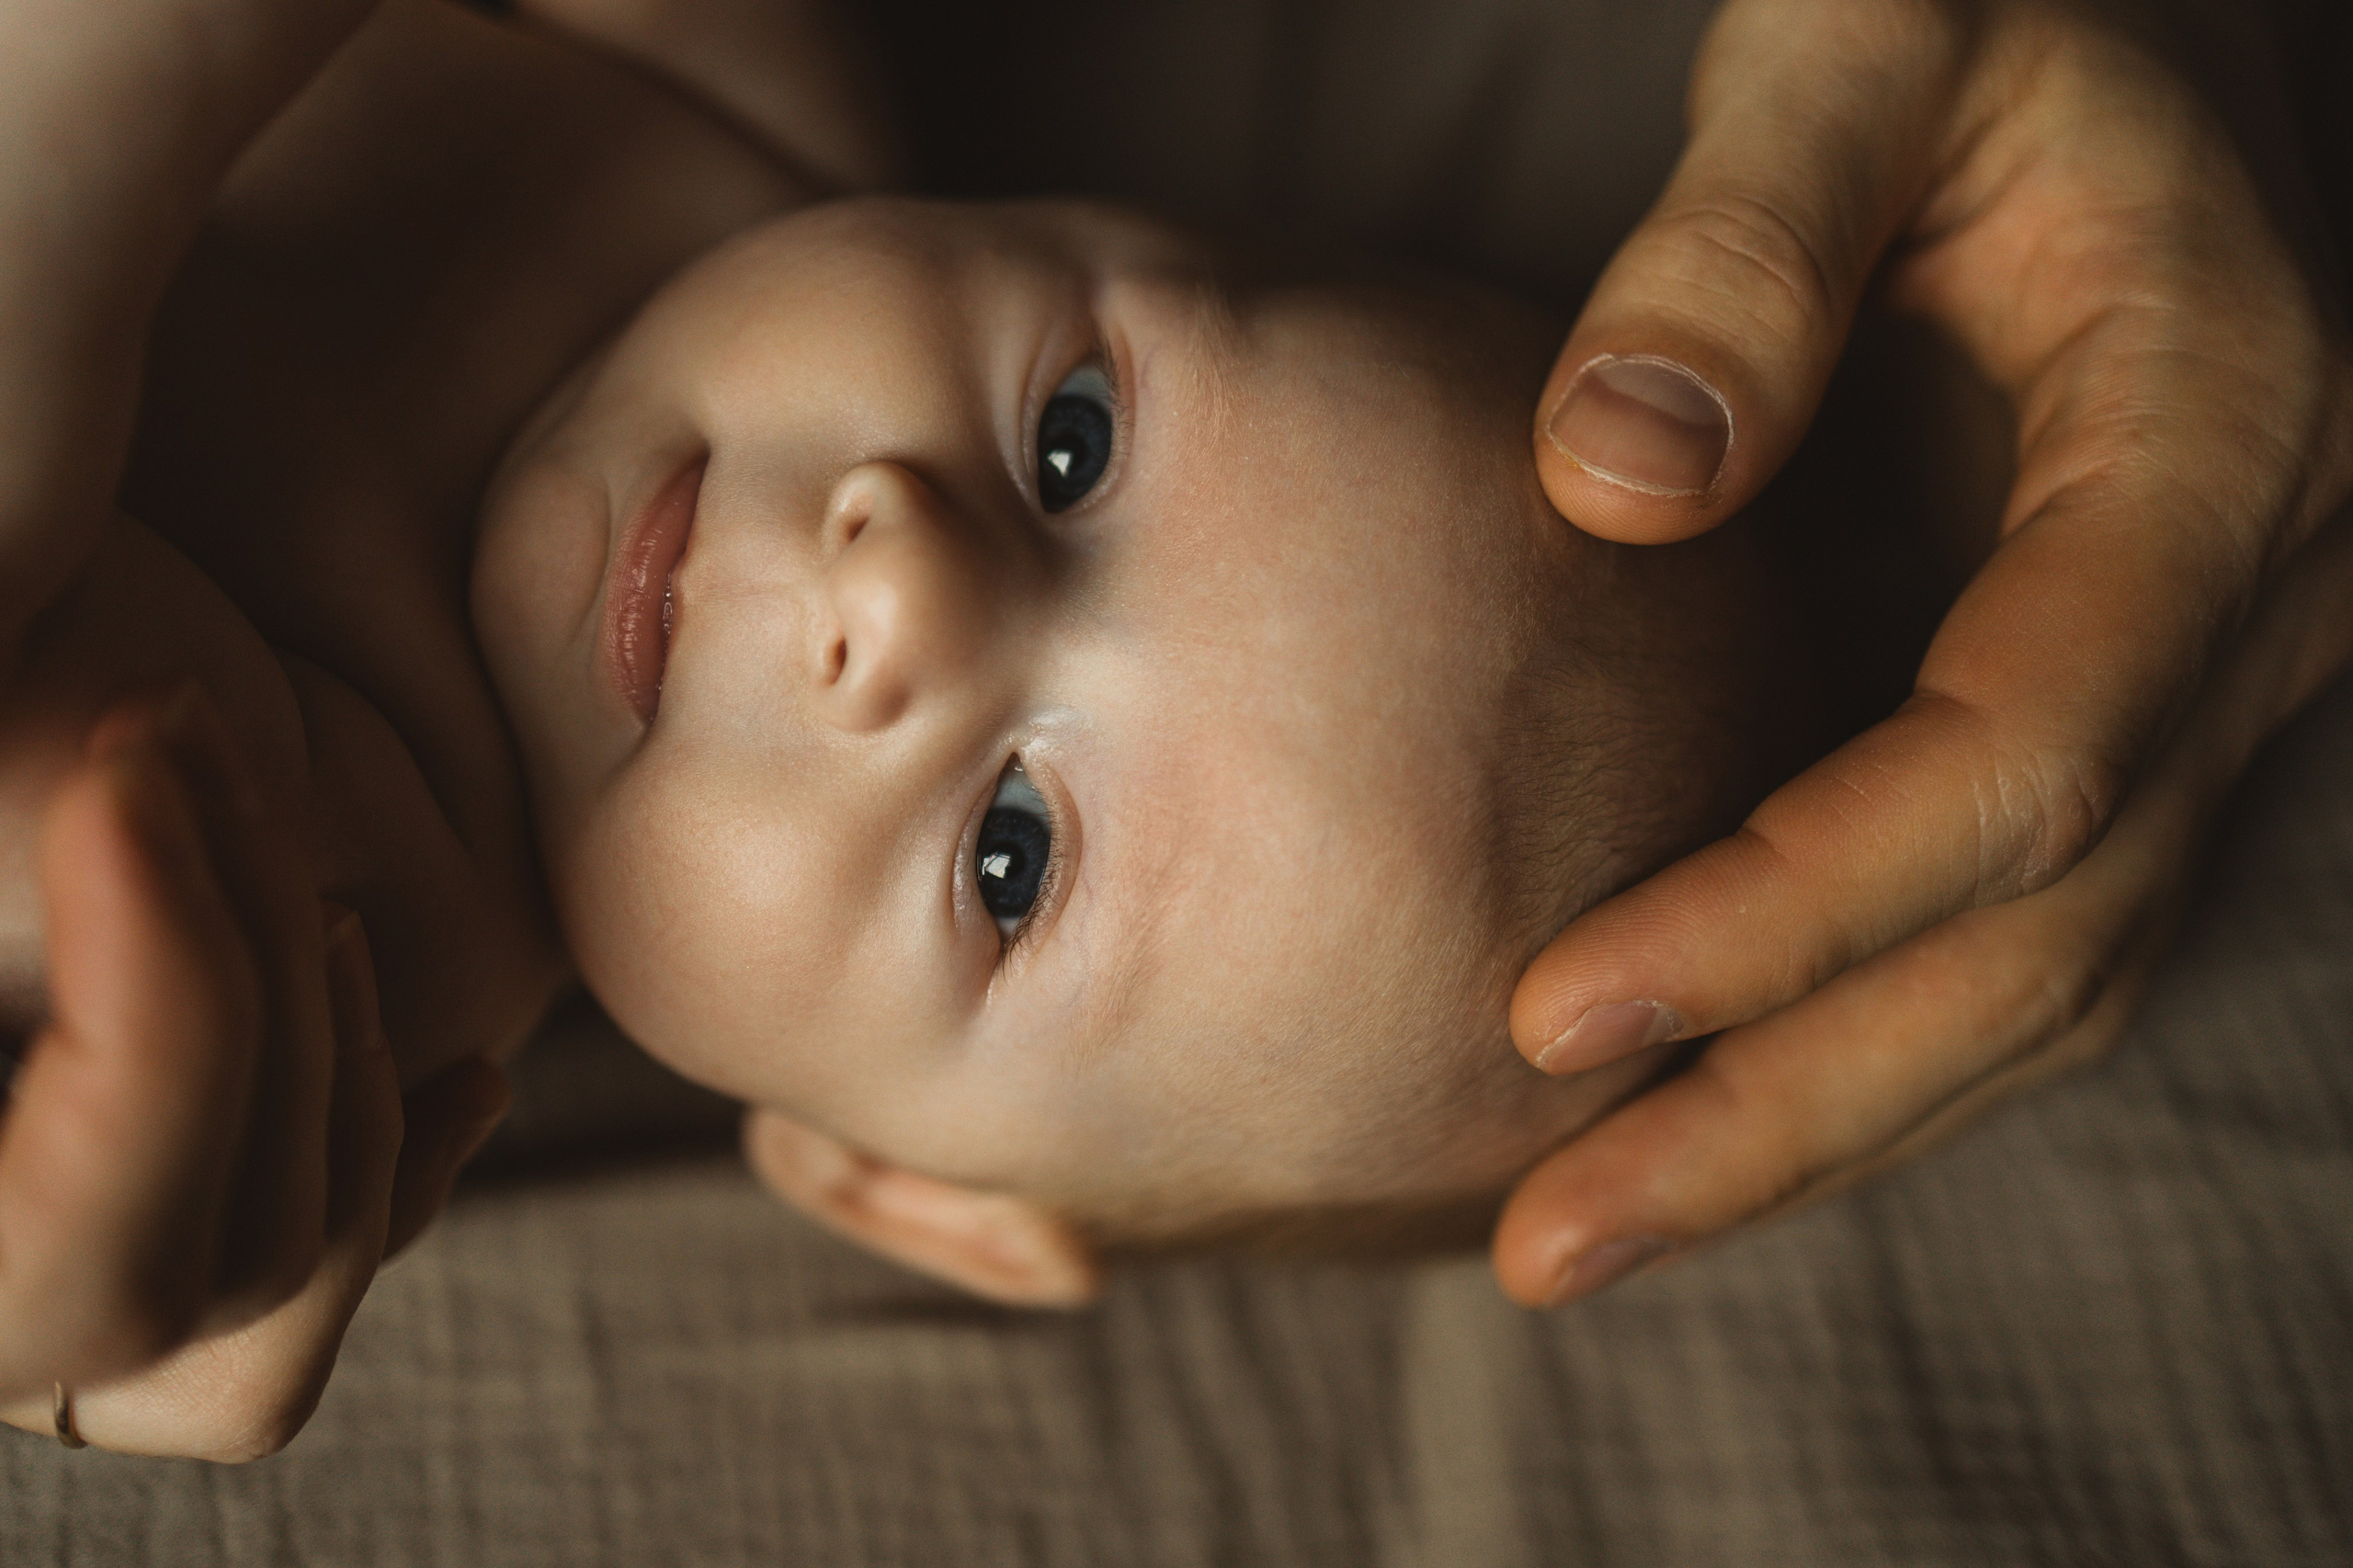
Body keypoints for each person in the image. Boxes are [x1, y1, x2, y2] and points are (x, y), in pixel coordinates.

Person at [0, 0, 2343, 1462]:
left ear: (893, 1185)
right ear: (1077, 211)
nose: (906, 580)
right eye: (1074, 442)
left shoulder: (376, 925)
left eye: (1009, 861)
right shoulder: (724, 96)